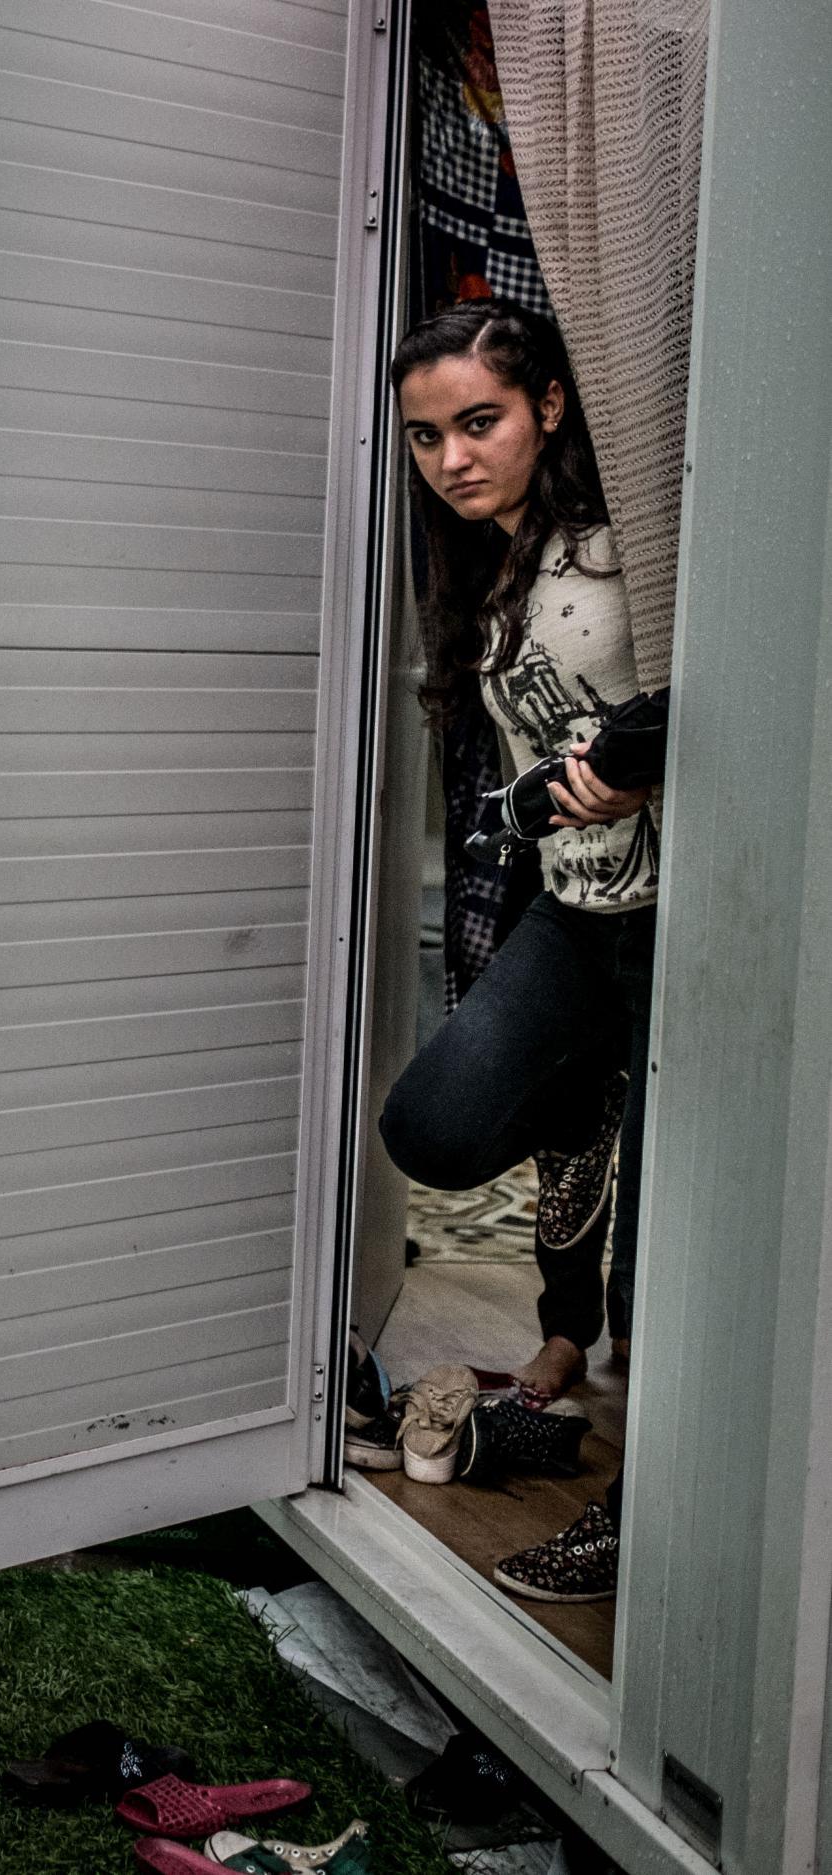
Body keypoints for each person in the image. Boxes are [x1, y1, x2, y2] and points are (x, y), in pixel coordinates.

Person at [374, 299, 660, 1602]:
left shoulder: (627, 544)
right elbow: (524, 760)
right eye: (428, 434)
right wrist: (550, 792)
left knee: (680, 1243)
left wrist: (632, 754)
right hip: (576, 909)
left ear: (550, 403)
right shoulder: (485, 560)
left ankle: (639, 1504)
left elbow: (726, 673)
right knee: (435, 1127)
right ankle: (593, 1132)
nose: (451, 456)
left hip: (685, 919)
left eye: (477, 420)